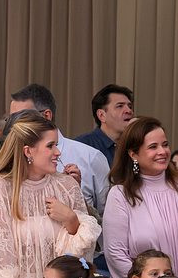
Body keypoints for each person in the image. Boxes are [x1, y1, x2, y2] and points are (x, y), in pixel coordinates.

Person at [0, 110, 100, 278]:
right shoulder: (1, 188)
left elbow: (81, 257)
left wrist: (71, 219)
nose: (58, 152)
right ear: (28, 151)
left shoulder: (67, 186)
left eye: (57, 145)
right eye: (50, 146)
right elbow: (1, 250)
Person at [103, 117, 178, 278]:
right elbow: (115, 253)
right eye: (153, 147)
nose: (163, 151)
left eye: (165, 144)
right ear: (133, 154)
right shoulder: (120, 195)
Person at [7, 83, 110, 218]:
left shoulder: (91, 157)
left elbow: (105, 219)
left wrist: (73, 192)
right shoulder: (3, 173)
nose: (14, 125)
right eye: (11, 119)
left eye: (22, 117)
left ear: (46, 116)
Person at [76, 84, 135, 166]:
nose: (129, 111)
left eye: (130, 106)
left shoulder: (135, 144)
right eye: (120, 106)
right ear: (102, 115)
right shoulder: (82, 146)